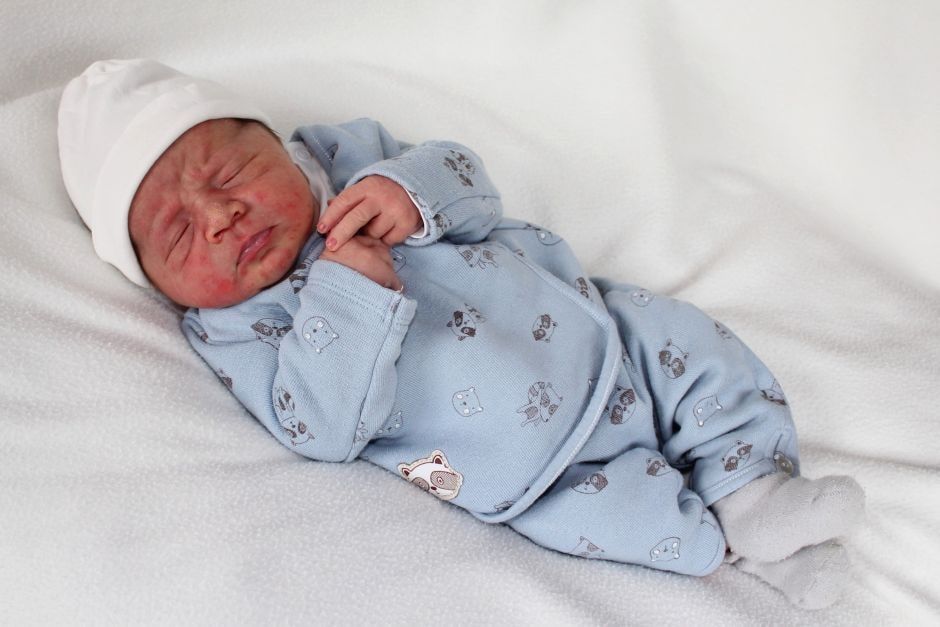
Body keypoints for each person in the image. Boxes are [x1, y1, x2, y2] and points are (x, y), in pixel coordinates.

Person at [58, 59, 865, 609]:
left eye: (230, 173)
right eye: (178, 234)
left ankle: (754, 490)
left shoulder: (347, 159)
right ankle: (740, 550)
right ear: (159, 285)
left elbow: (472, 183)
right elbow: (321, 428)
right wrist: (348, 298)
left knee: (691, 348)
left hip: (596, 329)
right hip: (518, 470)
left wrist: (410, 192)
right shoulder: (235, 332)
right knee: (627, 520)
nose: (220, 216)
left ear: (278, 146)